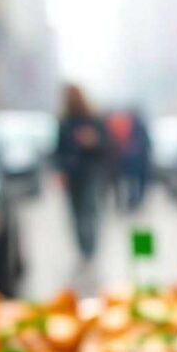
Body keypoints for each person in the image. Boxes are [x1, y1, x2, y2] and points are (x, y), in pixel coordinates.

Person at [56, 83, 109, 261]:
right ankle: (82, 248)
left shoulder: (93, 119)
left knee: (89, 210)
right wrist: (61, 171)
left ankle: (90, 248)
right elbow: (58, 150)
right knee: (76, 213)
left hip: (91, 172)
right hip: (72, 174)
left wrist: (93, 141)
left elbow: (106, 146)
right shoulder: (64, 122)